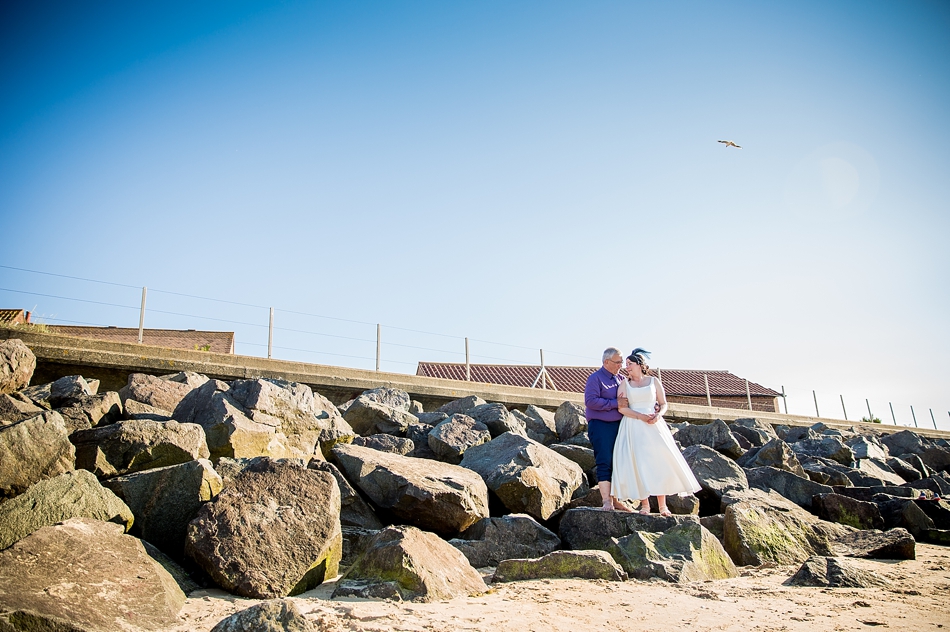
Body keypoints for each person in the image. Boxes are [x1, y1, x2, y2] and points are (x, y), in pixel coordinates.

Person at [612, 348, 701, 516]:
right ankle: (645, 505)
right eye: (626, 365)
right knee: (637, 463)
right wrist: (640, 416)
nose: (627, 367)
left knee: (659, 461)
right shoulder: (624, 384)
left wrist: (658, 415)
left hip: (654, 425)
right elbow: (622, 408)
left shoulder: (654, 381)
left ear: (639, 364)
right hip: (634, 425)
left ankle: (663, 506)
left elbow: (664, 403)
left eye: (630, 364)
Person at [584, 347, 633, 512]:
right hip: (600, 425)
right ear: (606, 362)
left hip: (619, 426)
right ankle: (607, 501)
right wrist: (614, 404)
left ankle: (616, 500)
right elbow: (591, 401)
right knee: (604, 460)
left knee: (618, 461)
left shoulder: (621, 379)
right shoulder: (595, 379)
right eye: (618, 362)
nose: (621, 365)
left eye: (621, 361)